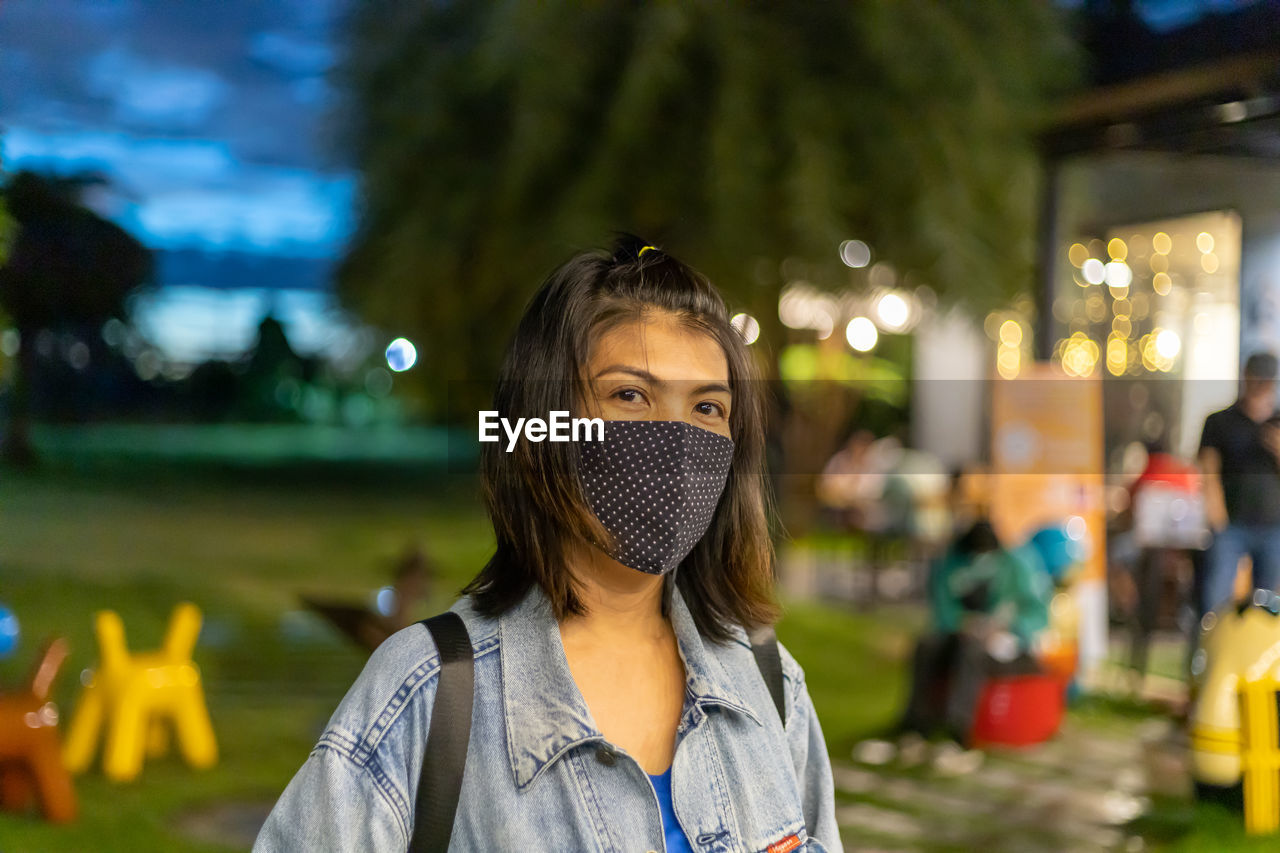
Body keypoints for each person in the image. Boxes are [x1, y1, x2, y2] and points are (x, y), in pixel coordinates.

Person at [254, 237, 841, 852]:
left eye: (707, 406)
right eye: (631, 395)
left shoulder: (772, 684)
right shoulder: (426, 695)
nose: (675, 440)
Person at [1197, 352, 1280, 620]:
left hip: (1273, 527)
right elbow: (1208, 469)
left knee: (1269, 607)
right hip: (1231, 524)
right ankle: (1211, 656)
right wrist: (1217, 518)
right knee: (1217, 599)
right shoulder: (1220, 421)